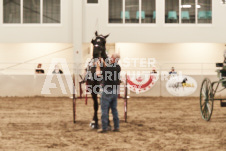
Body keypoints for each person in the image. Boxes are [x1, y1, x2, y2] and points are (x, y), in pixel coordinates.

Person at [96, 53, 121, 133]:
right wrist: (104, 62)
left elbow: (98, 74)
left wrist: (98, 65)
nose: (110, 58)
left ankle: (104, 127)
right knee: (114, 109)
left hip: (107, 90)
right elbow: (108, 68)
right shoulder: (118, 67)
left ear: (114, 59)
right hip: (115, 90)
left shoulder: (109, 68)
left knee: (104, 110)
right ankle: (116, 126)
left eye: (111, 57)